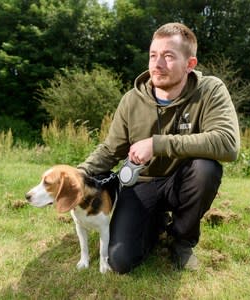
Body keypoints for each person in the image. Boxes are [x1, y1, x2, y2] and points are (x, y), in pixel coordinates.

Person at [78, 22, 240, 273]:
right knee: (120, 261)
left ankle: (182, 241)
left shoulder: (210, 90)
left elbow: (228, 144)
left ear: (190, 64)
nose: (157, 64)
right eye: (153, 55)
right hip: (141, 183)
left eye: (168, 56)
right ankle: (154, 223)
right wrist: (77, 174)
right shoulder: (132, 100)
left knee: (205, 169)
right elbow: (110, 150)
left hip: (184, 179)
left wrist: (157, 144)